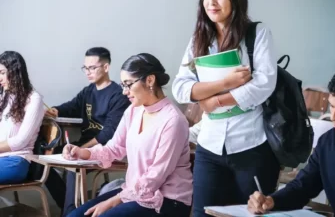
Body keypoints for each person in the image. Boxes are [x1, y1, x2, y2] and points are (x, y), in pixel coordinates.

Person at [172, 0, 280, 216]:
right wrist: (225, 84)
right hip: (209, 147)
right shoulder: (198, 38)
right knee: (202, 214)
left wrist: (214, 101)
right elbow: (180, 88)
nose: (211, 2)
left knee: (248, 213)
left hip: (251, 146)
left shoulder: (257, 34)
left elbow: (263, 84)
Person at [65, 53, 192, 217]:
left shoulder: (173, 120)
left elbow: (155, 177)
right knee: (74, 216)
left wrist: (114, 200)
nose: (125, 92)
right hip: (134, 192)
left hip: (167, 199)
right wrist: (82, 152)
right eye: (122, 85)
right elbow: (114, 148)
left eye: (128, 84)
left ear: (150, 80)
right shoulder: (133, 111)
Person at [248, 64, 335, 217]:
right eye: (332, 106)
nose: (334, 117)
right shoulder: (329, 143)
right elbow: (303, 187)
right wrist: (271, 201)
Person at [45, 47, 130, 215]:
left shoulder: (118, 95)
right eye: (85, 68)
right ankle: (68, 206)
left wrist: (84, 149)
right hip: (84, 145)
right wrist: (55, 110)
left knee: (73, 168)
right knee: (44, 160)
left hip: (105, 149)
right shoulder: (88, 91)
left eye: (92, 68)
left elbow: (108, 134)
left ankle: (69, 212)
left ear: (106, 67)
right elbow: (72, 106)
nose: (88, 72)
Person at [0, 51, 45, 184]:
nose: (0, 78)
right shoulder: (4, 98)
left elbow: (20, 141)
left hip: (16, 161)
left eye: (2, 73)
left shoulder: (33, 99)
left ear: (15, 72)